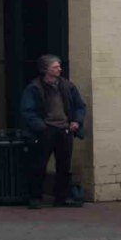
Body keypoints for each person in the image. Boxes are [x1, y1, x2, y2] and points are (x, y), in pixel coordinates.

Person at [20, 53, 87, 208]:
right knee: (39, 165)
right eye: (55, 67)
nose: (59, 69)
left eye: (59, 66)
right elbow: (28, 111)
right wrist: (40, 126)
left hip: (65, 129)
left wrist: (76, 121)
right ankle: (35, 197)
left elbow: (79, 105)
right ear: (45, 69)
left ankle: (62, 197)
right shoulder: (34, 88)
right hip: (45, 130)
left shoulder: (68, 86)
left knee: (64, 166)